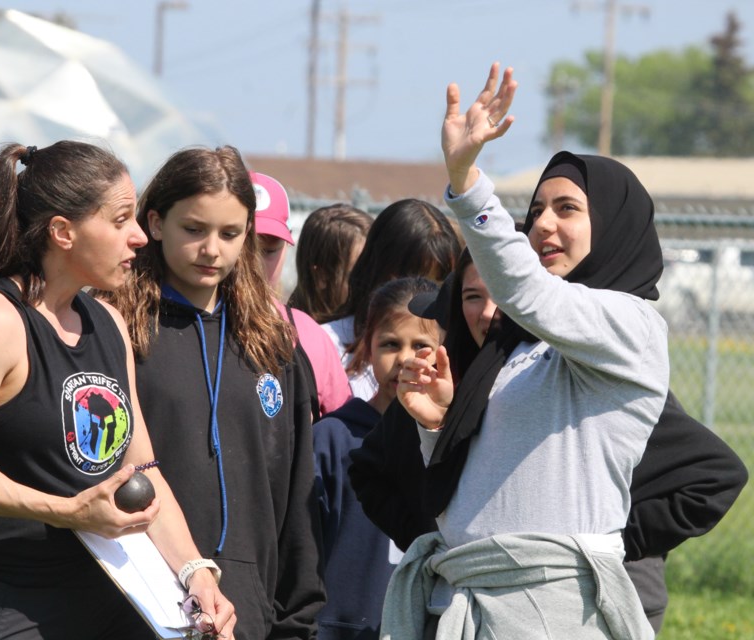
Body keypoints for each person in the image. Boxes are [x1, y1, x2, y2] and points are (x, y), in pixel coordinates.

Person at [383, 63, 673, 639]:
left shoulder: (631, 324)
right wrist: (438, 424)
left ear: (612, 227)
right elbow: (489, 485)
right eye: (536, 210)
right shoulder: (519, 345)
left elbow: (523, 291)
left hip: (553, 612)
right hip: (466, 603)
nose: (542, 225)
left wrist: (466, 183)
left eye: (567, 209)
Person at [0, 140, 235, 639]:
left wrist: (193, 569)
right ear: (63, 232)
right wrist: (66, 512)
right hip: (8, 604)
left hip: (106, 599)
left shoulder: (108, 322)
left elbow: (139, 470)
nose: (140, 237)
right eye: (121, 220)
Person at [357, 249, 748, 633]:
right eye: (472, 296)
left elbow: (716, 475)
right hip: (473, 601)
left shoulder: (575, 379)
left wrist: (585, 545)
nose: (490, 312)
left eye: (506, 294)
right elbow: (369, 469)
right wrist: (448, 547)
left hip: (589, 601)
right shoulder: (449, 374)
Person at [99, 146, 325, 640]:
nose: (212, 250)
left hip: (246, 614)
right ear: (155, 223)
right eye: (194, 229)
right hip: (134, 606)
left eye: (230, 233)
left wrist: (294, 619)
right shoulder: (115, 332)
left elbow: (296, 496)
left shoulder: (272, 345)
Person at [314, 277, 443, 640]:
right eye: (390, 344)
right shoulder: (331, 438)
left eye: (421, 345)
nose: (404, 358)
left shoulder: (452, 442)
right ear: (367, 348)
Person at [320, 199, 460, 401]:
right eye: (406, 278)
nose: (416, 296)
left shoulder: (456, 352)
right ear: (375, 267)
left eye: (435, 284)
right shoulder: (327, 345)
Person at [250, 171, 352, 419]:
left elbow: (341, 432)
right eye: (242, 247)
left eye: (268, 250)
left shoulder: (308, 336)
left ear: (286, 247)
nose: (251, 263)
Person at [287, 203, 373, 324]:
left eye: (377, 269)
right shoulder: (290, 338)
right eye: (361, 273)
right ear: (321, 276)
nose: (375, 284)